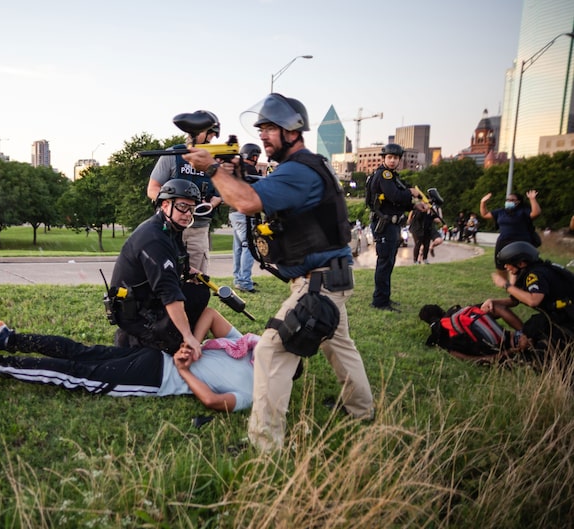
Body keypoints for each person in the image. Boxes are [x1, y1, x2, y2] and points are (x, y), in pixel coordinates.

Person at [184, 93, 374, 451]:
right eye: (262, 128)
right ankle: (361, 409)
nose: (264, 135)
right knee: (340, 345)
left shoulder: (299, 169)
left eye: (271, 128)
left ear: (293, 131)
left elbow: (246, 202)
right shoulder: (303, 167)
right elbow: (256, 193)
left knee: (272, 348)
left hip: (319, 282)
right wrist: (232, 174)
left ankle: (264, 445)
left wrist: (212, 169)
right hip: (330, 276)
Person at [0, 307, 255, 412]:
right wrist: (192, 348)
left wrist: (192, 346)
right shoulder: (255, 385)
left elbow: (211, 316)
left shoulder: (250, 347)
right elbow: (213, 403)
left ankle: (9, 338)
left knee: (82, 353)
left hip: (153, 357)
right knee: (77, 374)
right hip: (157, 375)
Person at [108, 179, 210, 358]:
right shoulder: (154, 237)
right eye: (183, 206)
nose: (188, 214)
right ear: (165, 205)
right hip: (135, 310)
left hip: (147, 297)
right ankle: (143, 340)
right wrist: (188, 336)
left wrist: (192, 272)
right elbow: (168, 292)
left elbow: (178, 262)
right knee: (180, 310)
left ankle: (163, 333)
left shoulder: (170, 228)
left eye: (192, 209)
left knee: (199, 292)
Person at [147, 110, 225, 273]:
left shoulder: (216, 160)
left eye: (213, 135)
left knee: (197, 279)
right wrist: (174, 206)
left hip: (198, 229)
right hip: (169, 227)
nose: (211, 138)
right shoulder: (173, 155)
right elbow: (153, 189)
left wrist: (213, 202)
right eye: (209, 133)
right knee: (163, 274)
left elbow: (222, 192)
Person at [481, 241, 574, 366]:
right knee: (532, 329)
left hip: (568, 316)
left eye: (508, 264)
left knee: (544, 351)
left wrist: (505, 284)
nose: (506, 267)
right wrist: (493, 301)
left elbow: (533, 300)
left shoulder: (535, 274)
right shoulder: (530, 271)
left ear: (521, 263)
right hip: (562, 313)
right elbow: (516, 299)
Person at [367, 143, 426, 311]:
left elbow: (396, 202)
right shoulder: (384, 175)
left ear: (399, 159)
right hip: (384, 225)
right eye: (389, 157)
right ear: (384, 158)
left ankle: (384, 297)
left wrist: (415, 206)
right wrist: (411, 193)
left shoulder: (392, 176)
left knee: (389, 262)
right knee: (385, 263)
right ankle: (379, 302)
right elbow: (395, 195)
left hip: (391, 224)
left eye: (395, 158)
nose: (392, 161)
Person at [418, 303, 525, 364]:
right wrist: (524, 333)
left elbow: (474, 360)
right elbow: (499, 308)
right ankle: (523, 334)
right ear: (442, 311)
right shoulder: (460, 312)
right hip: (518, 338)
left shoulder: (443, 340)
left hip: (508, 353)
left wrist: (510, 352)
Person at [480, 190, 541, 279]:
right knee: (500, 265)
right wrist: (483, 202)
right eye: (507, 200)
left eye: (512, 200)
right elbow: (485, 214)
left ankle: (515, 286)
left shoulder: (523, 211)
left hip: (520, 242)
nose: (508, 202)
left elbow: (536, 213)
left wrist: (532, 199)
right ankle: (506, 284)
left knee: (517, 265)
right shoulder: (501, 212)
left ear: (518, 202)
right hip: (503, 241)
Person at [229, 143, 263, 293]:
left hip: (233, 212)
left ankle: (238, 278)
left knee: (238, 247)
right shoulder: (249, 169)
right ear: (253, 156)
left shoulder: (236, 169)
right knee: (249, 246)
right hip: (245, 214)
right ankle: (244, 281)